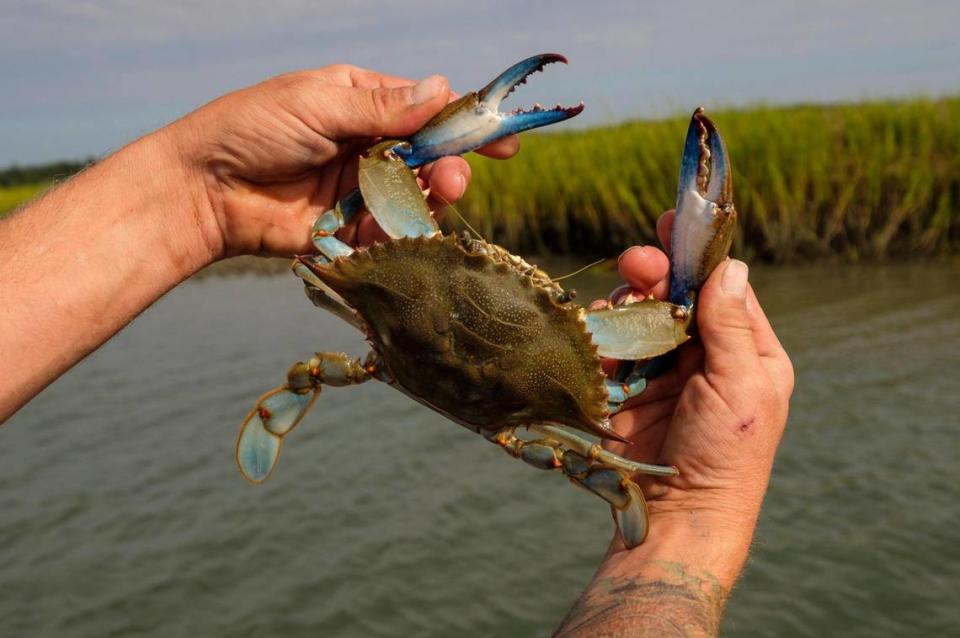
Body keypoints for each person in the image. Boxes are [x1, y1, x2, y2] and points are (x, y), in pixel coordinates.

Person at [0, 64, 793, 637]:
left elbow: (341, 226)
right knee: (675, 305)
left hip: (385, 353)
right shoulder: (599, 391)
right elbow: (652, 348)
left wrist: (197, 191)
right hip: (529, 426)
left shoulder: (381, 265)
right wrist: (693, 520)